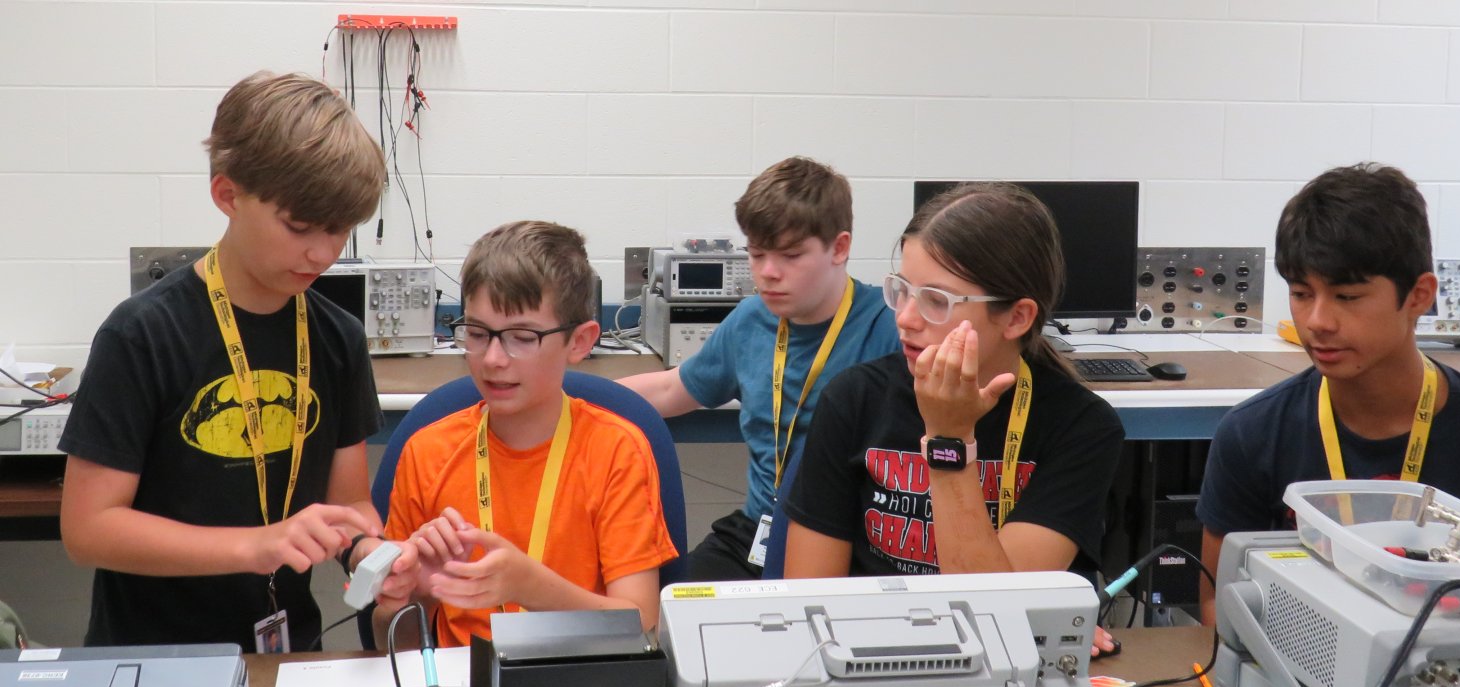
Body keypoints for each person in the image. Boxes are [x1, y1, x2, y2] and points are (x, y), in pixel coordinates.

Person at [57, 71, 388, 651]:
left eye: (341, 232)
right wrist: (256, 545)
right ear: (228, 195)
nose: (322, 253)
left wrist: (370, 552)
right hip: (154, 659)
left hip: (286, 659)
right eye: (300, 227)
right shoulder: (142, 335)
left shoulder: (337, 339)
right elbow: (88, 530)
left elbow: (347, 503)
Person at [1195, 162, 1460, 624]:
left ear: (1419, 296)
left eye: (1347, 297)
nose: (1317, 321)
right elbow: (1219, 604)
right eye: (1300, 293)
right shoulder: (1251, 435)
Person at [781, 182, 1125, 655]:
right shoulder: (855, 399)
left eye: (936, 301)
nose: (904, 317)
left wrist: (950, 440)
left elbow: (997, 624)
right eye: (901, 291)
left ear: (1017, 318)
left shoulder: (1081, 427)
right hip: (871, 662)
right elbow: (808, 604)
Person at [368, 221, 678, 648]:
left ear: (580, 342)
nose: (493, 359)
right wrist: (420, 592)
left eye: (522, 337)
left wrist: (529, 587)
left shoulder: (616, 450)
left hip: (578, 677)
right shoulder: (427, 451)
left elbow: (641, 627)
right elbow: (389, 644)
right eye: (477, 334)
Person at [619, 156, 899, 581]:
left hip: (848, 539)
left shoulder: (890, 327)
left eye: (790, 255)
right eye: (757, 254)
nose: (767, 273)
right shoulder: (751, 320)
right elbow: (672, 390)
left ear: (839, 248)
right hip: (759, 529)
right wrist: (568, 398)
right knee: (678, 612)